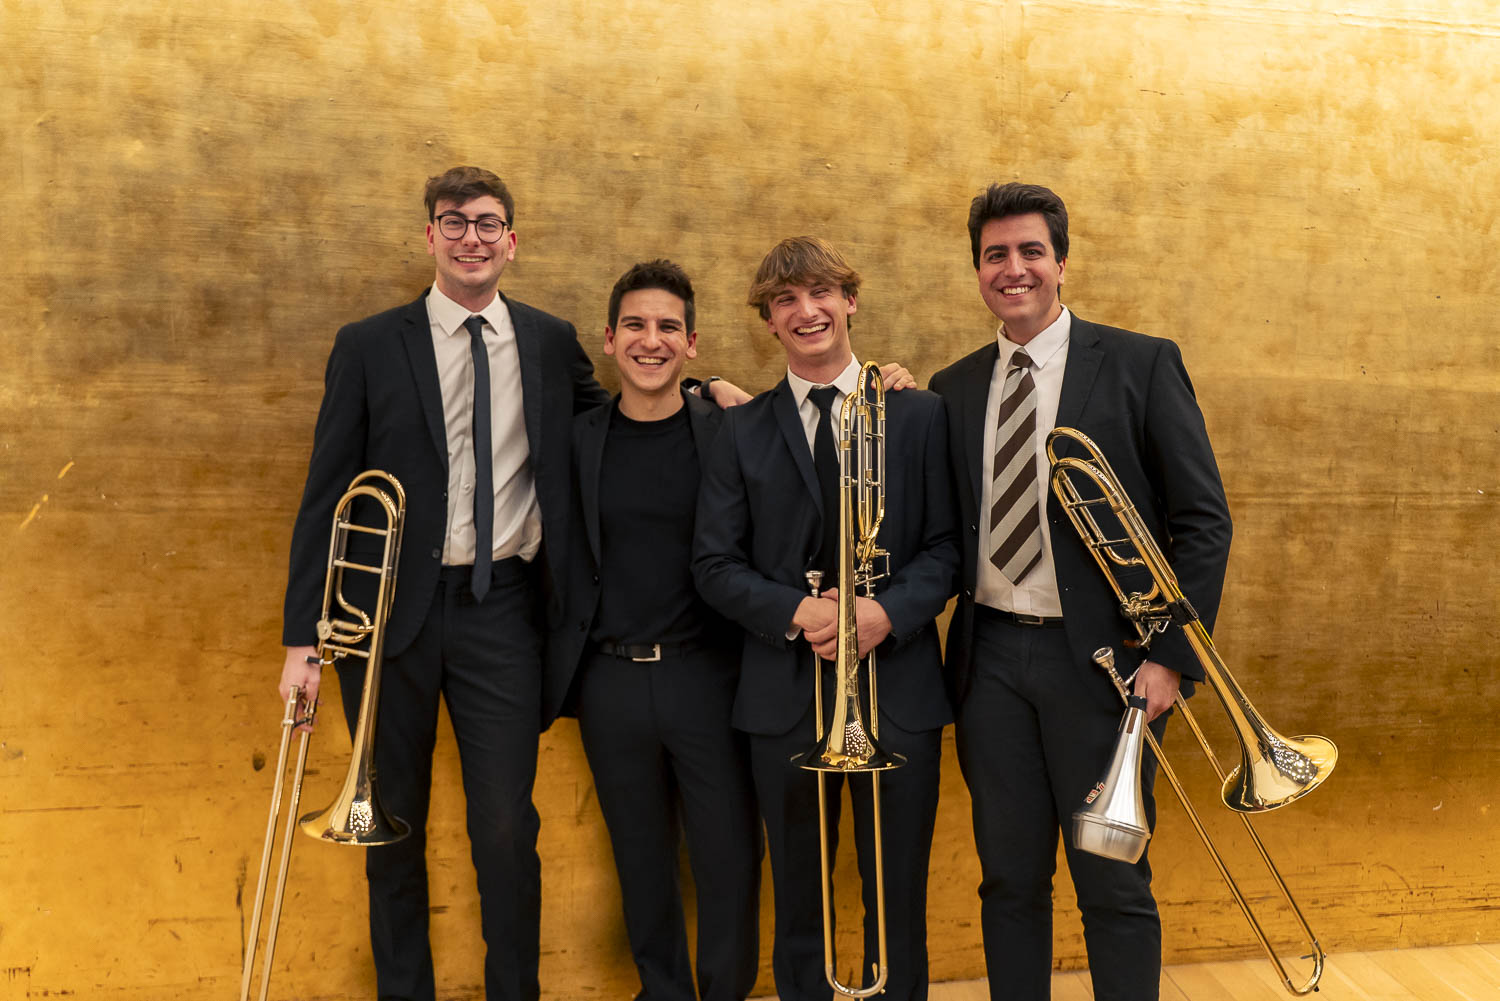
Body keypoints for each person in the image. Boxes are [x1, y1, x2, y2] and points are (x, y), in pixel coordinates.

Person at [276, 165, 618, 1001]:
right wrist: (302, 643)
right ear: (430, 235)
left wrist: (704, 389)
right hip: (386, 618)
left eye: (487, 222)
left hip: (503, 611)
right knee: (387, 824)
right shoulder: (368, 344)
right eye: (454, 222)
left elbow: (615, 419)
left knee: (505, 827)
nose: (472, 237)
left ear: (512, 240)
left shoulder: (548, 340)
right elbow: (325, 494)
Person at [927, 182, 1233, 1001]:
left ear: (1062, 262)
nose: (1014, 268)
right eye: (995, 255)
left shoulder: (1140, 362)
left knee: (1113, 880)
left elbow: (1203, 521)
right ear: (978, 270)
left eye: (1032, 251)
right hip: (990, 661)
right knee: (1008, 879)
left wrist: (1171, 658)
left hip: (1107, 666)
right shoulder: (953, 387)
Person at [693, 237, 958, 1001]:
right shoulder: (741, 429)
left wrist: (885, 612)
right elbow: (713, 564)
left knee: (898, 896)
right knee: (799, 899)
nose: (805, 311)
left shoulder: (918, 413)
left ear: (849, 300)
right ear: (768, 321)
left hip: (897, 691)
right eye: (785, 300)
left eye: (820, 293)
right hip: (783, 698)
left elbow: (947, 549)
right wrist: (798, 610)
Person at [543, 260, 762, 1001]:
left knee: (729, 858)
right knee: (640, 862)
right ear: (609, 339)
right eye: (634, 325)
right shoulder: (576, 440)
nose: (651, 339)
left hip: (710, 676)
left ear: (691, 344)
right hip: (608, 681)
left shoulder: (730, 430)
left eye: (669, 326)